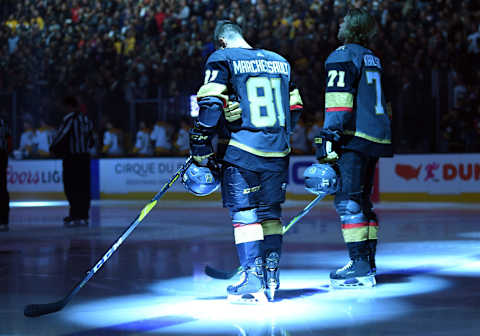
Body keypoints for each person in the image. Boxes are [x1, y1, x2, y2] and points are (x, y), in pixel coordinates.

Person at [187, 20, 303, 303]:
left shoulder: (222, 58)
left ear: (221, 41)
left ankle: (252, 278)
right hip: (278, 150)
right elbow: (296, 109)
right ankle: (272, 276)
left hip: (243, 150)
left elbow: (211, 102)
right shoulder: (280, 61)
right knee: (271, 215)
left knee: (245, 213)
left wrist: (201, 138)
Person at [313, 8, 392, 289]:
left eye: (345, 19)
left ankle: (358, 265)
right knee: (363, 202)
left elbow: (339, 99)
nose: (341, 23)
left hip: (354, 135)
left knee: (348, 202)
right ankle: (367, 264)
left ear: (353, 26)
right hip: (375, 135)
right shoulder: (373, 57)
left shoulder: (343, 54)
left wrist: (329, 134)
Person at [50, 96, 94, 227]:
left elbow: (61, 135)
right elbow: (92, 140)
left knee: (71, 186)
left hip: (72, 158)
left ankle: (75, 214)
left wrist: (53, 148)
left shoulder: (69, 119)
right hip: (84, 157)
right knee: (84, 187)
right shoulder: (86, 120)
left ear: (69, 106)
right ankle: (84, 215)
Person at [0, 117, 12, 232]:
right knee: (2, 188)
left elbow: (9, 142)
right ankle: (3, 221)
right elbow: (9, 142)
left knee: (1, 189)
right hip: (2, 155)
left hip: (1, 155)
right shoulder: (4, 123)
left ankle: (3, 220)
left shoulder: (3, 123)